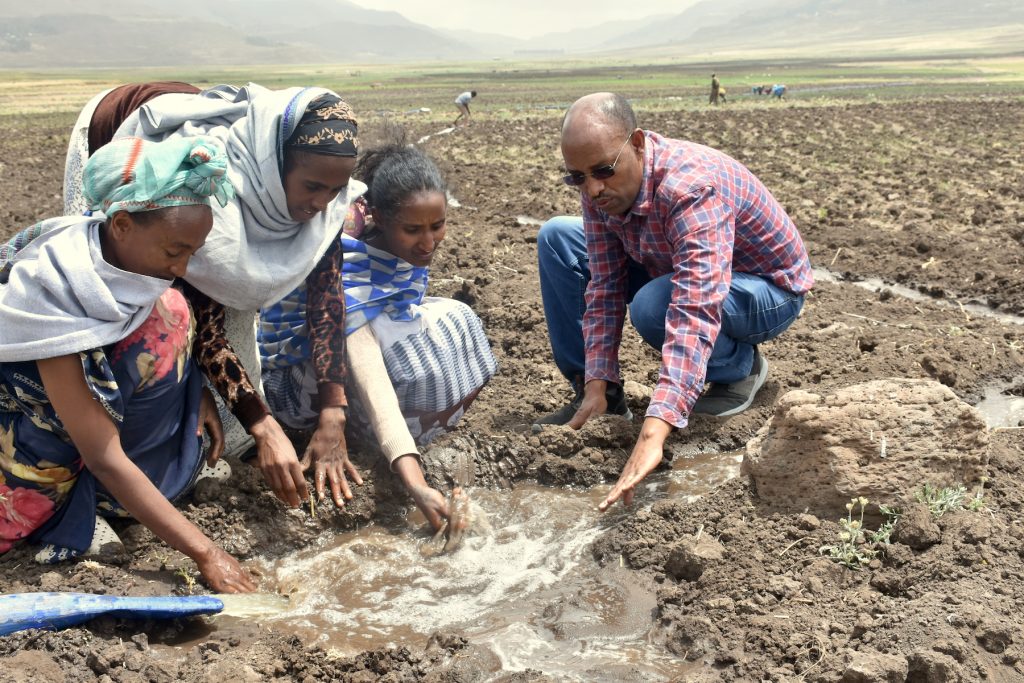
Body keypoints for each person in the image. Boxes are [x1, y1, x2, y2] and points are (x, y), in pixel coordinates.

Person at [62, 83, 365, 510]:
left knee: (232, 407)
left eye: (334, 191)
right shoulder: (212, 191)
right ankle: (97, 471)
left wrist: (334, 410)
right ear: (274, 164)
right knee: (117, 309)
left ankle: (192, 438)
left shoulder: (325, 197)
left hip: (212, 210)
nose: (321, 203)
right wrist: (262, 424)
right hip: (115, 134)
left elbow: (328, 299)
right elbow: (196, 314)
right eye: (312, 187)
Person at [534, 92, 813, 511]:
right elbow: (605, 285)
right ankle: (598, 400)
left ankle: (739, 368)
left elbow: (695, 306)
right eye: (577, 177)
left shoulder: (691, 187)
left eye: (603, 171)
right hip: (674, 264)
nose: (592, 188)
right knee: (558, 238)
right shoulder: (601, 190)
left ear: (639, 144)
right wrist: (598, 378)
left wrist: (653, 433)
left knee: (655, 305)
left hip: (767, 291)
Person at [0, 135, 255, 593]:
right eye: (174, 251)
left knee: (173, 311)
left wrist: (196, 392)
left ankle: (133, 490)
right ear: (120, 224)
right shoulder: (54, 303)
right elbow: (102, 455)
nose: (181, 265)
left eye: (191, 253)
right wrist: (205, 551)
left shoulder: (122, 271)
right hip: (31, 439)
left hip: (83, 422)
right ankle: (78, 512)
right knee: (46, 489)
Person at [260, 141, 497, 530]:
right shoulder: (349, 268)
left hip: (350, 363)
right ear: (379, 219)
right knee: (398, 346)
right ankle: (380, 439)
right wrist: (416, 483)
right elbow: (369, 370)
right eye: (413, 230)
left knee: (460, 318)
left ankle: (406, 430)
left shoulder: (395, 260)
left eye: (437, 226)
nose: (427, 242)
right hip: (297, 386)